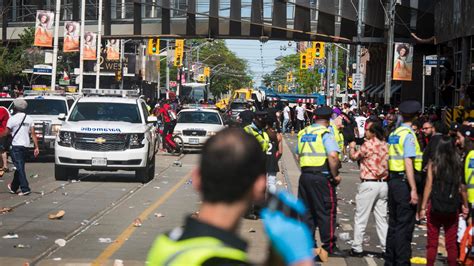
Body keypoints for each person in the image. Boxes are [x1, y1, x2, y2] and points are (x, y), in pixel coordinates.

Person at [147, 128, 314, 266]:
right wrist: (300, 260)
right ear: (259, 187)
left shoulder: (165, 244)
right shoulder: (222, 261)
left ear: (197, 179)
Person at [296, 106, 343, 256]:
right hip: (321, 177)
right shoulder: (325, 133)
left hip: (305, 176)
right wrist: (335, 175)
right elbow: (333, 156)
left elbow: (298, 154)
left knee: (307, 212)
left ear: (314, 118)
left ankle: (309, 245)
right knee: (326, 211)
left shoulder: (304, 133)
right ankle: (329, 245)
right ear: (329, 119)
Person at [419, 136, 467, 266]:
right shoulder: (458, 164)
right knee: (451, 244)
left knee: (432, 242)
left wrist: (423, 207)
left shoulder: (434, 164)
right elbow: (461, 187)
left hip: (435, 205)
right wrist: (465, 205)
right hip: (452, 207)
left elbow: (428, 185)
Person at [385, 100, 422, 265]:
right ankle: (401, 261)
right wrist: (413, 188)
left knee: (393, 224)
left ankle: (390, 260)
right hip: (403, 183)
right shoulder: (408, 135)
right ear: (416, 116)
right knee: (404, 226)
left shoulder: (394, 134)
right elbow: (408, 162)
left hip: (393, 180)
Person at [348, 119, 389, 257]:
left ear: (373, 132)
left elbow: (354, 157)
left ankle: (357, 247)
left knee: (361, 217)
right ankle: (385, 248)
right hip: (383, 184)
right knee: (381, 219)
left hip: (369, 183)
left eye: (367, 130)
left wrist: (352, 146)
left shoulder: (368, 145)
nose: (365, 132)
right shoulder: (386, 145)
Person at [1, 99, 39, 196]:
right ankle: (13, 187)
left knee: (20, 167)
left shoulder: (12, 119)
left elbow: (6, 133)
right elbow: (33, 134)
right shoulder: (29, 119)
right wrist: (36, 147)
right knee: (20, 167)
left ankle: (25, 188)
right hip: (26, 146)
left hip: (16, 146)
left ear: (15, 108)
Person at [0, 104, 9, 177]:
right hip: (3, 132)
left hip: (2, 132)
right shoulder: (4, 109)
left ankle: (5, 165)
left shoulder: (2, 110)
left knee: (2, 149)